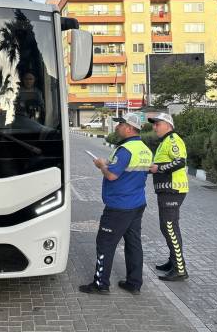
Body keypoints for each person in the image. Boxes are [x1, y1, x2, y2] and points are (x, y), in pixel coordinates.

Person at [79, 113, 152, 295]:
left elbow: (112, 175)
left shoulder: (125, 150)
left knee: (105, 243)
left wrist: (101, 165)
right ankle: (134, 283)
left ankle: (100, 284)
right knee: (133, 243)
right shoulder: (144, 149)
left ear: (129, 128)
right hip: (137, 204)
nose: (117, 127)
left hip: (119, 206)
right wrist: (108, 164)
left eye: (120, 124)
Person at [148, 112, 189, 282]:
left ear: (168, 125)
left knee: (170, 227)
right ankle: (174, 262)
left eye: (157, 123)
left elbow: (180, 161)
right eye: (154, 124)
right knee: (167, 227)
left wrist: (159, 168)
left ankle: (180, 269)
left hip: (173, 189)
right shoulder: (165, 142)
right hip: (167, 190)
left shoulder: (173, 140)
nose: (154, 127)